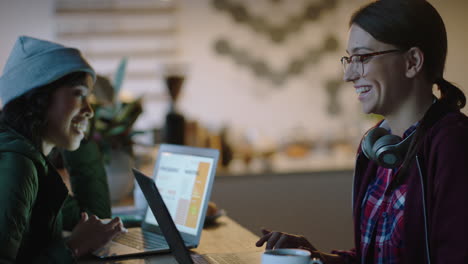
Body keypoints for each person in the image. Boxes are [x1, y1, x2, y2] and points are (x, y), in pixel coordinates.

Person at [256, 0, 468, 263]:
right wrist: (315, 257)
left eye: (363, 57)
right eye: (349, 59)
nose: (349, 75)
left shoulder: (453, 145)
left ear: (412, 61)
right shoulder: (375, 146)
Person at [0, 36, 127, 263]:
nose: (89, 110)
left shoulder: (37, 162)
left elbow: (92, 220)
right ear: (38, 99)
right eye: (79, 94)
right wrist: (72, 248)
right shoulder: (17, 163)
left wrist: (77, 136)